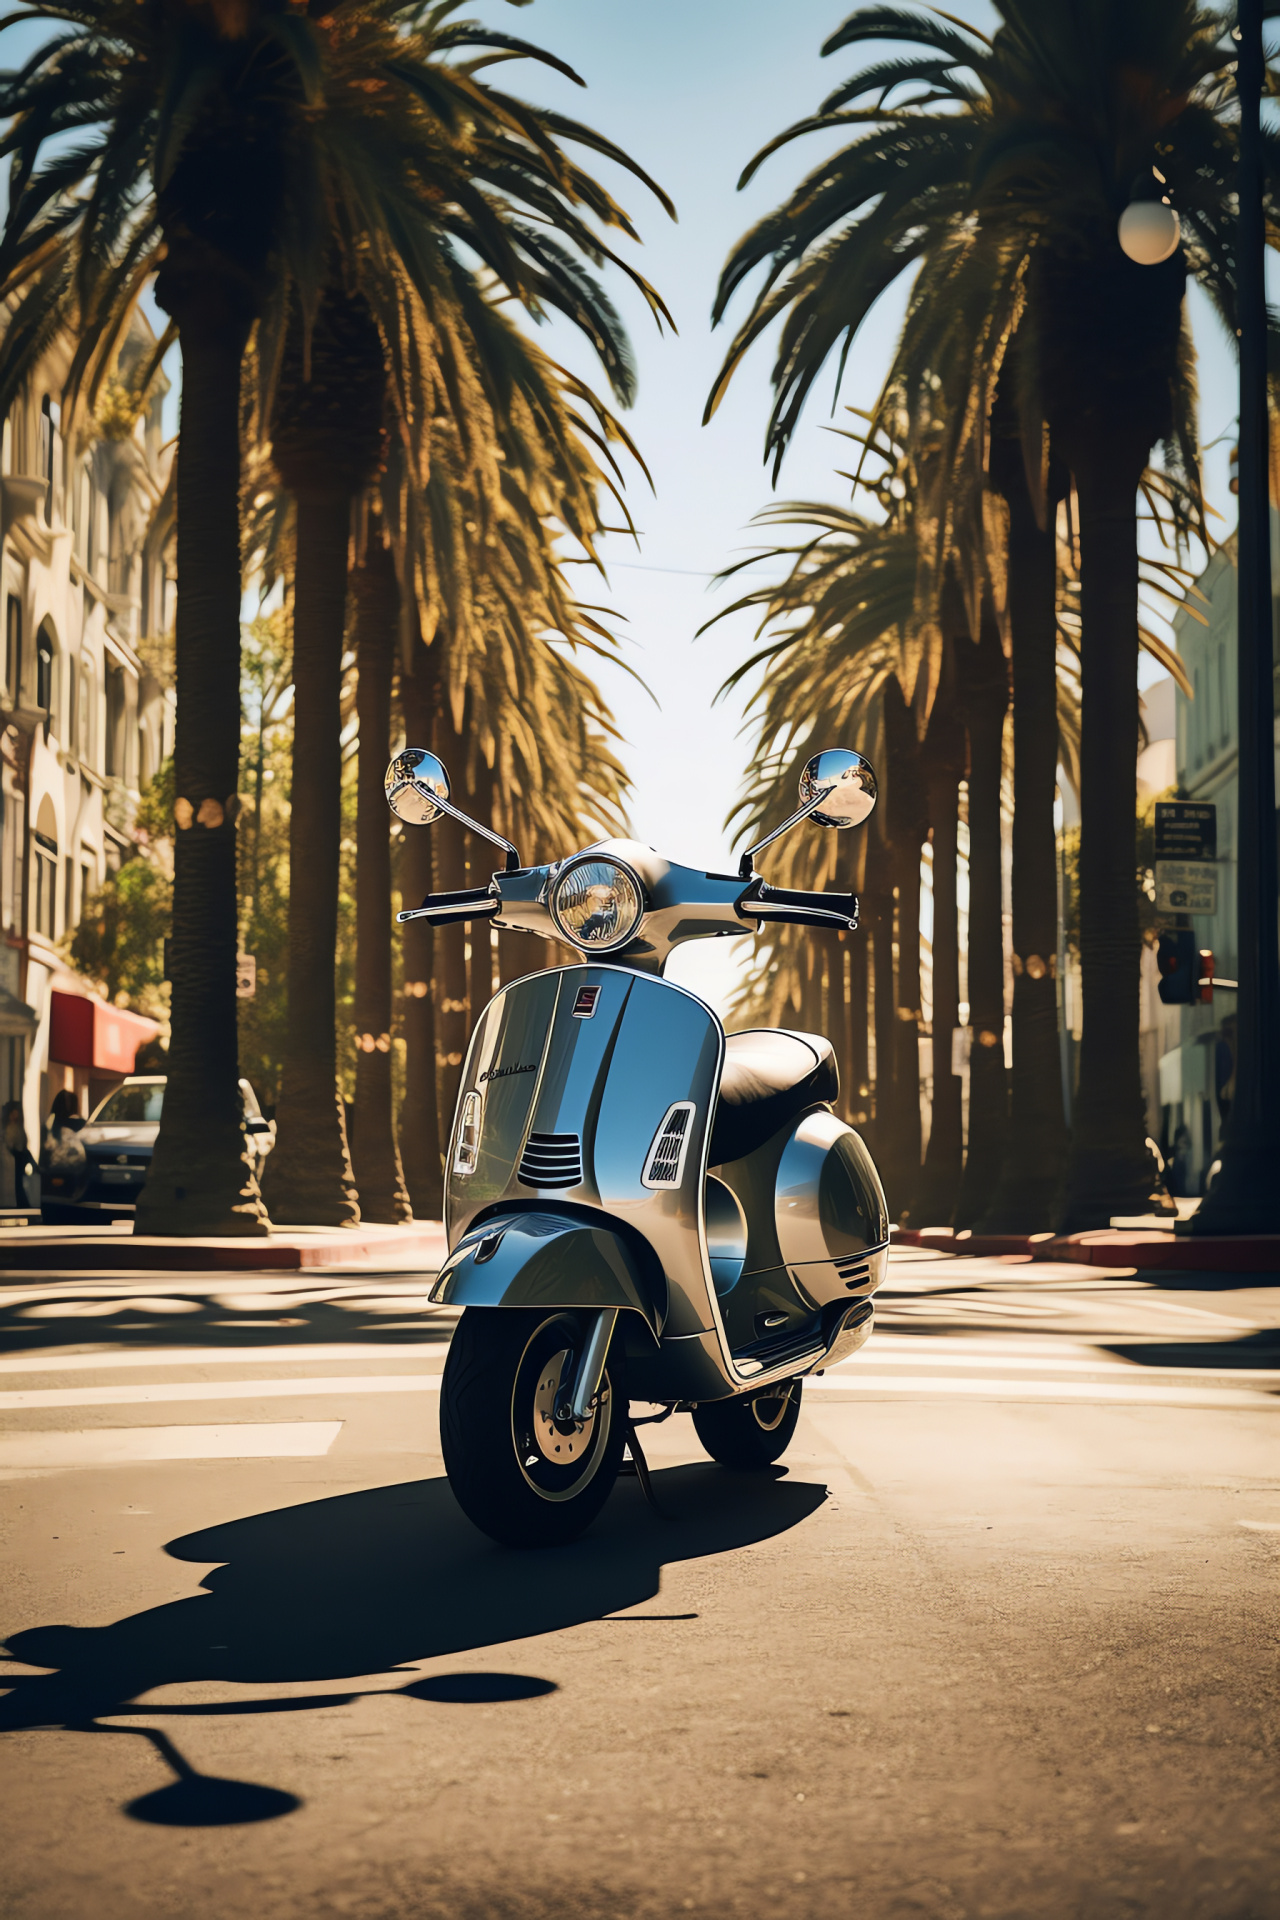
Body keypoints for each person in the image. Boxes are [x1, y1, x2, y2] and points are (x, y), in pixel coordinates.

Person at [3, 1099, 32, 1209]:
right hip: (15, 1159)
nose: (17, 1115)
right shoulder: (10, 1128)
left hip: (20, 1158)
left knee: (19, 1184)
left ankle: (22, 1203)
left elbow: (23, 1141)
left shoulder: (18, 1127)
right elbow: (10, 1144)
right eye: (14, 1112)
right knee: (17, 1184)